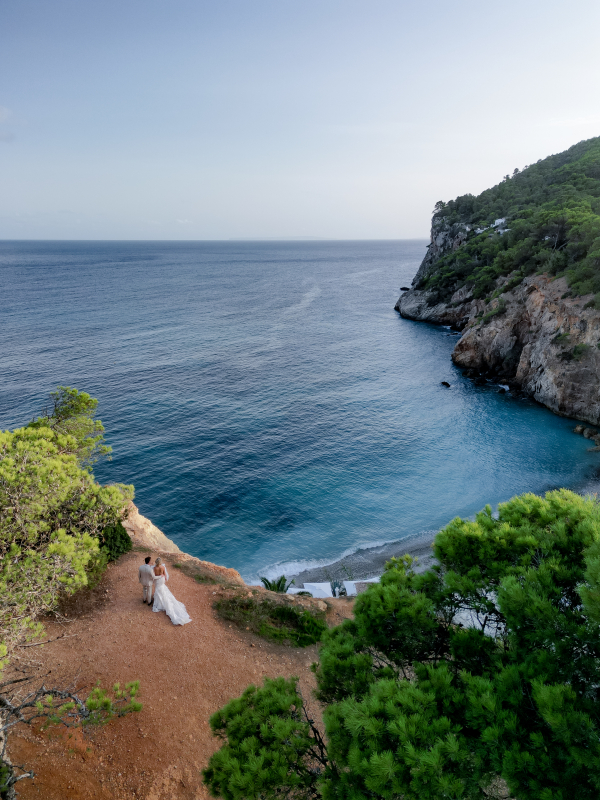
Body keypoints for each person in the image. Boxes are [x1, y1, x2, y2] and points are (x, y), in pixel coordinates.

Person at [152, 557, 191, 625]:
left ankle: (159, 602)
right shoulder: (163, 567)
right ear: (160, 562)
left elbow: (154, 575)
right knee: (163, 588)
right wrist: (164, 577)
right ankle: (163, 601)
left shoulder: (154, 568)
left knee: (158, 590)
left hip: (157, 580)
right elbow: (165, 574)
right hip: (162, 579)